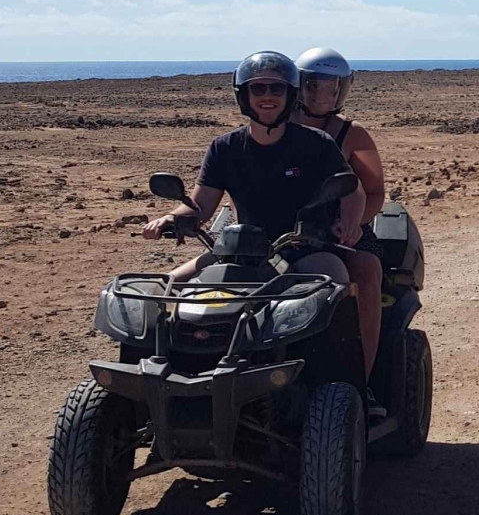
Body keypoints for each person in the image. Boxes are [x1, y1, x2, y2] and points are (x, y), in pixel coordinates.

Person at [141, 51, 375, 374]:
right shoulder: (224, 149)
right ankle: (153, 387)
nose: (267, 96)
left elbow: (352, 189)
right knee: (160, 293)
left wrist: (350, 220)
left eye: (276, 89)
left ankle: (344, 381)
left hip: (304, 251)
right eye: (258, 88)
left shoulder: (316, 144)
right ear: (245, 96)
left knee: (334, 286)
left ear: (290, 94)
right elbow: (200, 206)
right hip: (239, 254)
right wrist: (172, 218)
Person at [294, 47, 382, 380]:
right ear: (299, 85)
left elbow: (373, 192)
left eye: (330, 86)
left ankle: (362, 378)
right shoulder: (276, 126)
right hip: (284, 231)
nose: (320, 94)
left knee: (366, 272)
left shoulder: (352, 134)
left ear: (342, 89)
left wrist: (352, 225)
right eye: (313, 84)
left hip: (338, 232)